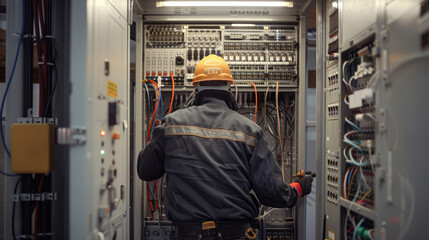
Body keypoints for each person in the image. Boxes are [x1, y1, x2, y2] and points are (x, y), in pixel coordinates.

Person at [138, 54, 313, 240]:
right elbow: (274, 194)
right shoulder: (250, 131)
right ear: (230, 87)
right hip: (236, 234)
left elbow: (145, 171)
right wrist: (298, 188)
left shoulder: (171, 124)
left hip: (187, 234)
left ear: (195, 88)